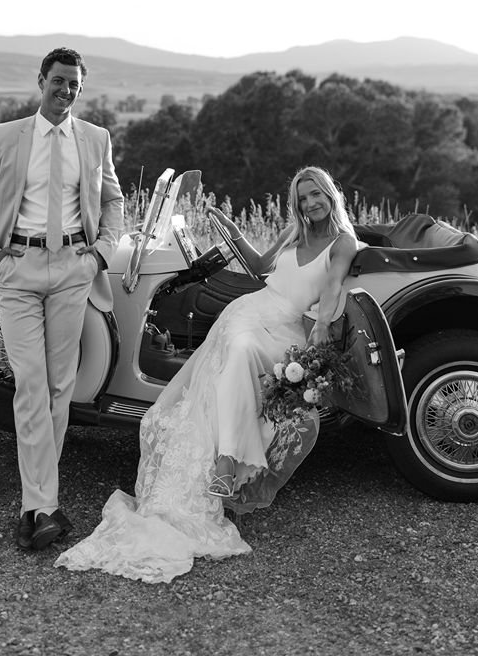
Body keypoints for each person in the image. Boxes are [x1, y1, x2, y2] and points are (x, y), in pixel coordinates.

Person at [54, 166, 358, 583]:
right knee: (235, 346)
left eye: (315, 195)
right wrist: (231, 230)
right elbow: (258, 265)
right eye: (303, 198)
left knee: (240, 350)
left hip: (287, 327)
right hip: (252, 310)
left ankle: (229, 461)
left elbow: (333, 287)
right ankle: (227, 461)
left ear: (329, 195)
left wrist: (320, 331)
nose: (310, 204)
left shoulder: (342, 242)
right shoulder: (294, 233)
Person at [0, 47, 123, 553]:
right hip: (18, 270)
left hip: (74, 268)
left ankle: (40, 507)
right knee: (29, 385)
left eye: (74, 84)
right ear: (41, 81)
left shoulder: (96, 140)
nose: (66, 91)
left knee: (58, 388)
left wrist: (99, 255)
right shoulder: (6, 136)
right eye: (58, 81)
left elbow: (113, 200)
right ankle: (43, 505)